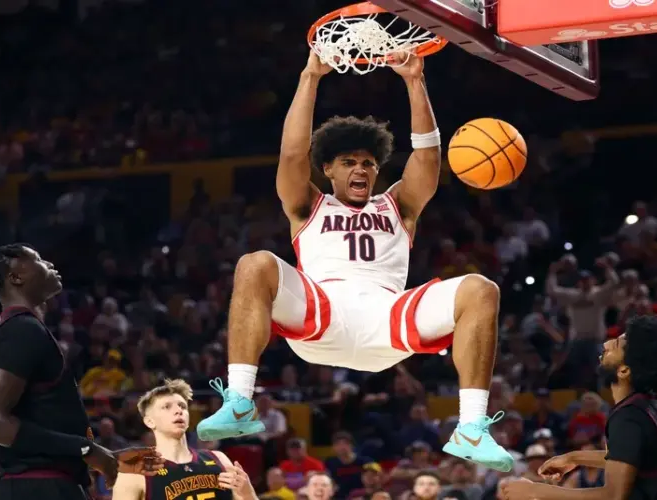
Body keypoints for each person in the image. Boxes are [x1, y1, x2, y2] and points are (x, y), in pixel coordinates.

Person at [196, 50, 512, 471]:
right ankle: (239, 401)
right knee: (255, 264)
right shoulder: (309, 205)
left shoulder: (399, 205)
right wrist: (310, 75)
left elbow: (427, 160)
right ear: (327, 168)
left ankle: (471, 427)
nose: (360, 169)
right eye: (348, 162)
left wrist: (415, 82)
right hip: (323, 315)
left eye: (368, 162)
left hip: (387, 319)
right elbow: (291, 156)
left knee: (480, 289)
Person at [0, 244, 163, 500]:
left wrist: (105, 456)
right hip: (37, 488)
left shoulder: (22, 329)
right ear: (16, 276)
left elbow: (42, 424)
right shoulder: (21, 329)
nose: (49, 263)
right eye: (38, 259)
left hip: (41, 485)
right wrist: (85, 449)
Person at [500, 315, 657, 500]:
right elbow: (630, 459)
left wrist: (535, 492)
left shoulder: (629, 417)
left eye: (615, 345)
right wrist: (574, 459)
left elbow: (613, 496)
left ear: (624, 370)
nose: (606, 344)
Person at [112, 378, 256, 500]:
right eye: (166, 407)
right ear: (149, 421)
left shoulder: (219, 459)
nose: (178, 411)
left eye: (182, 406)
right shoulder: (134, 473)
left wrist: (248, 493)